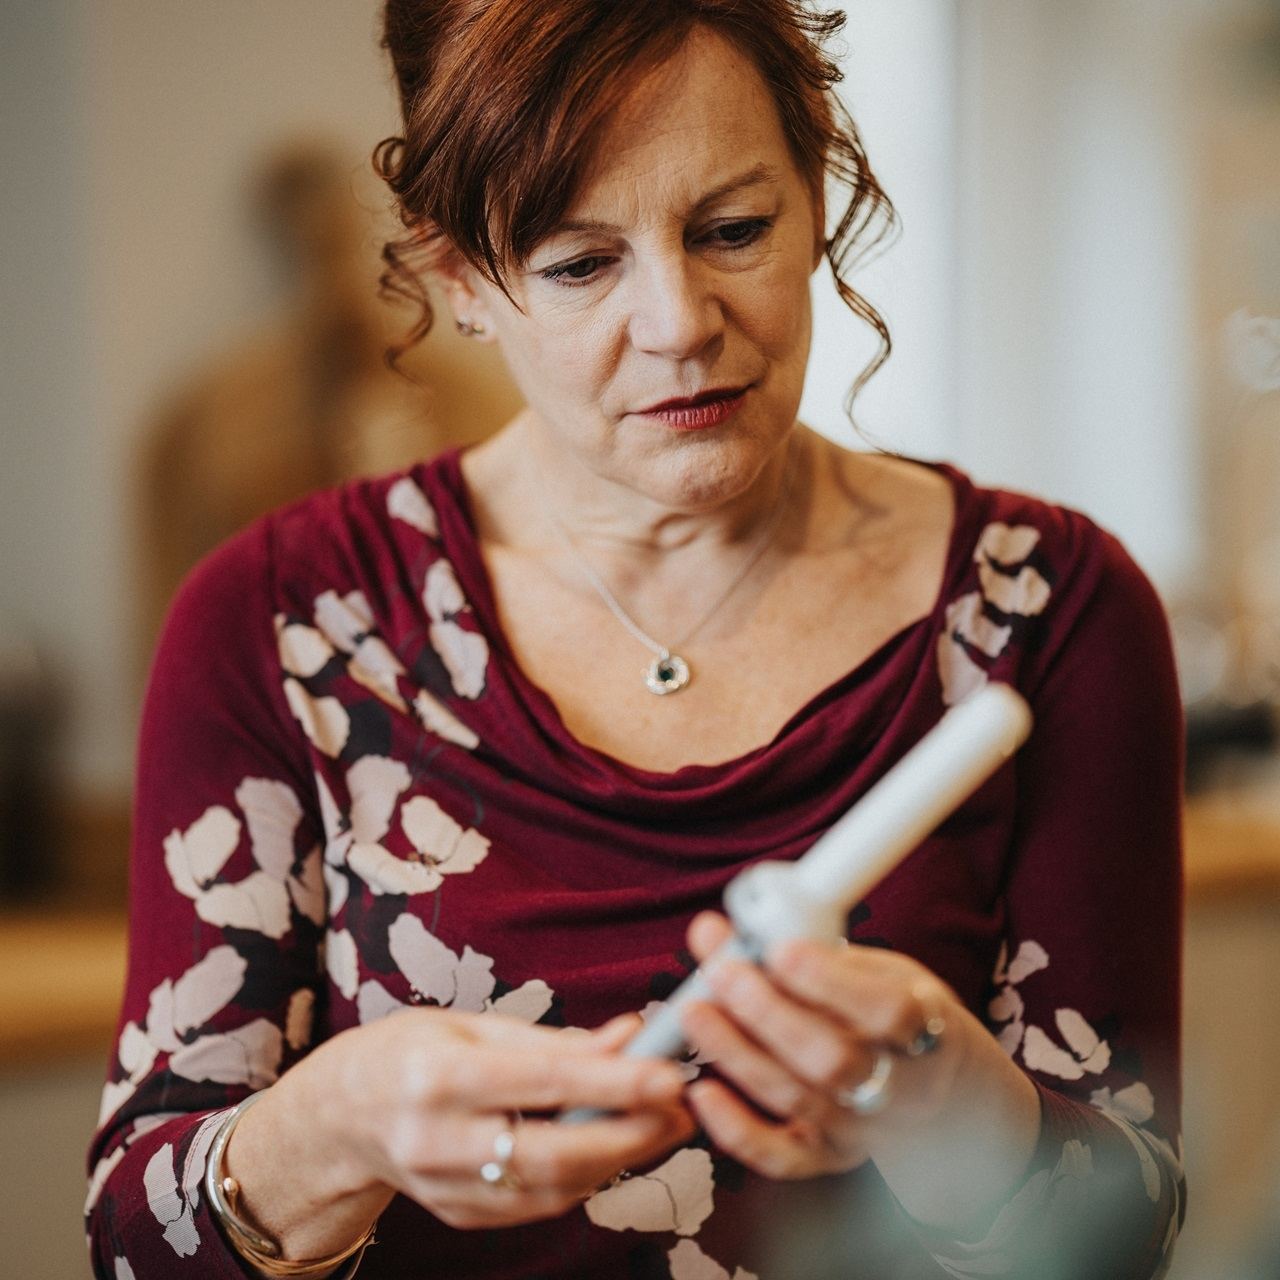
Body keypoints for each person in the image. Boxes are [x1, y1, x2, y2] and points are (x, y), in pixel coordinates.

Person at [86, 3, 1186, 1278]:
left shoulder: (1049, 609)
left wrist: (947, 1108)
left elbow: (1126, 1234)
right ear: (461, 286)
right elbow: (131, 1245)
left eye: (731, 230)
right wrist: (335, 1123)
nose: (678, 321)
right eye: (576, 263)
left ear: (816, 197)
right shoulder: (279, 623)